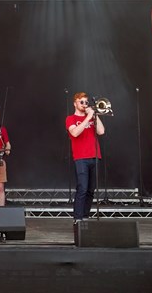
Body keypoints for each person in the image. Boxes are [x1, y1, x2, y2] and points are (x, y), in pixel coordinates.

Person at [65, 92, 105, 224]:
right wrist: (88, 118)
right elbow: (75, 132)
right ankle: (77, 218)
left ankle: (85, 216)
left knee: (91, 190)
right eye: (81, 102)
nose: (84, 104)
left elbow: (101, 131)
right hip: (81, 158)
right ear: (75, 103)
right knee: (82, 187)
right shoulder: (70, 118)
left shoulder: (92, 117)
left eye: (86, 102)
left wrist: (94, 115)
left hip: (95, 156)